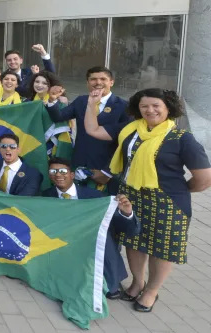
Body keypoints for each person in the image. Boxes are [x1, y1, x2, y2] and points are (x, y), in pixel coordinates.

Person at [83, 88, 211, 312]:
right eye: (144, 106)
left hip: (168, 201)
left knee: (162, 248)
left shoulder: (182, 138)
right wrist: (91, 104)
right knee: (134, 241)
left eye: (156, 106)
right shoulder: (131, 130)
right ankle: (137, 282)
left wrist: (179, 190)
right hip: (131, 196)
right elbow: (93, 129)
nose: (150, 110)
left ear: (168, 108)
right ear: (137, 109)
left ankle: (151, 291)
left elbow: (204, 178)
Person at [42, 158, 141, 299]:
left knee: (104, 235)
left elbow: (131, 231)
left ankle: (109, 279)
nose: (58, 174)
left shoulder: (95, 197)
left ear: (72, 175)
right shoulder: (46, 196)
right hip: (63, 246)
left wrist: (127, 213)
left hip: (92, 245)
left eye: (63, 171)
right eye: (53, 171)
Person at [46, 67, 130, 191]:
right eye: (93, 79)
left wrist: (108, 172)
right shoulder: (81, 101)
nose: (98, 82)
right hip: (80, 164)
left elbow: (126, 142)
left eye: (103, 79)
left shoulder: (124, 106)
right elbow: (59, 117)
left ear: (111, 82)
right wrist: (52, 100)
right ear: (87, 83)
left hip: (106, 170)